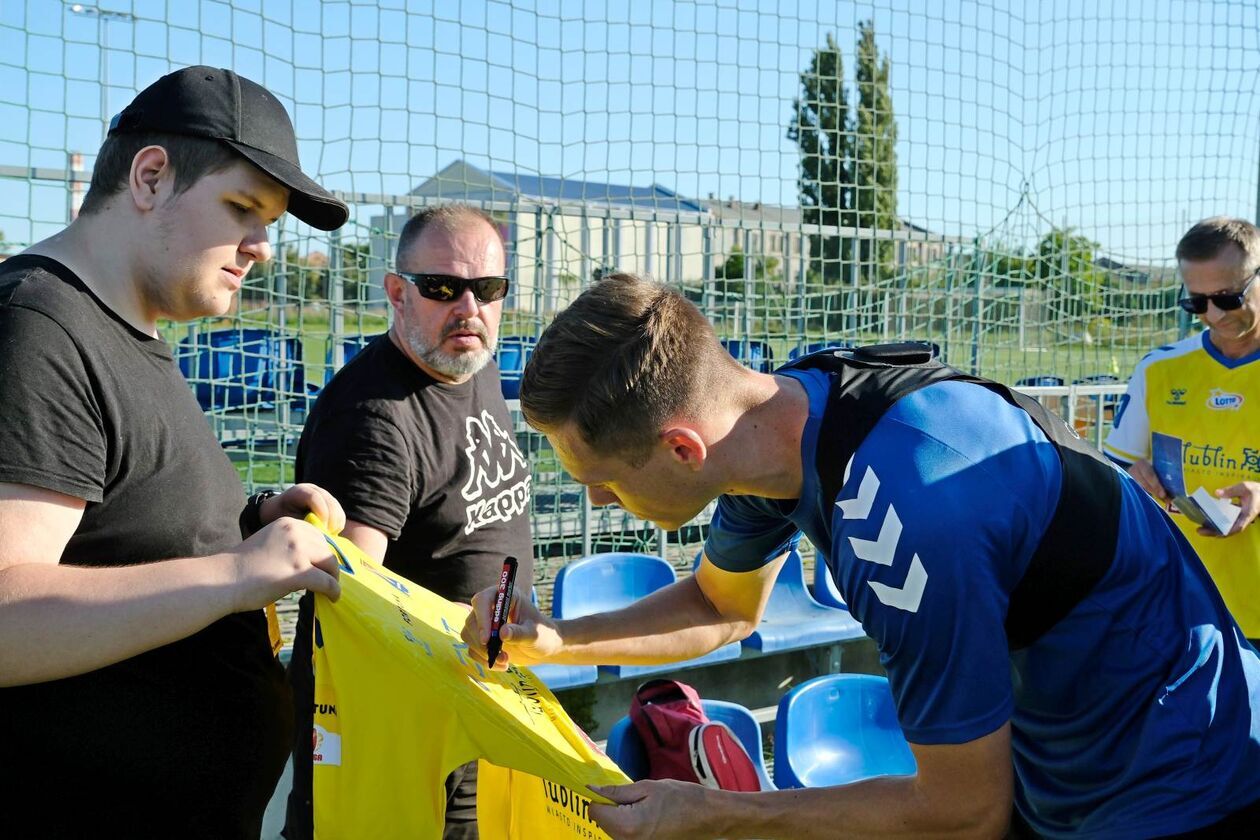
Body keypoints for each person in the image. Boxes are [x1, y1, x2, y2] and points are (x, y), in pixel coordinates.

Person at [464, 273, 1260, 839]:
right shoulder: (773, 424)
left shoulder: (905, 519)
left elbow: (961, 815)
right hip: (1065, 751)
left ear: (680, 448)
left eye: (601, 480)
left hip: (1172, 768)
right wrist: (560, 639)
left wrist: (716, 818)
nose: (597, 503)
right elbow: (721, 607)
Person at [0, 66, 349, 837]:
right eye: (243, 209)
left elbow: (119, 525)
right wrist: (236, 574)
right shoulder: (39, 329)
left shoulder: (130, 329)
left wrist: (252, 522)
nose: (260, 247)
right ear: (151, 177)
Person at [284, 205, 534, 839]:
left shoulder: (471, 365)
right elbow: (352, 608)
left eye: (489, 290)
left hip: (479, 712)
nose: (469, 308)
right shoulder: (373, 419)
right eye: (444, 288)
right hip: (409, 747)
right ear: (398, 292)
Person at [1105, 217, 1260, 640]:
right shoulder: (1160, 369)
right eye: (1196, 302)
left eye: (1227, 298)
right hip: (1180, 605)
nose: (1211, 315)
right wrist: (1132, 475)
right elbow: (1116, 467)